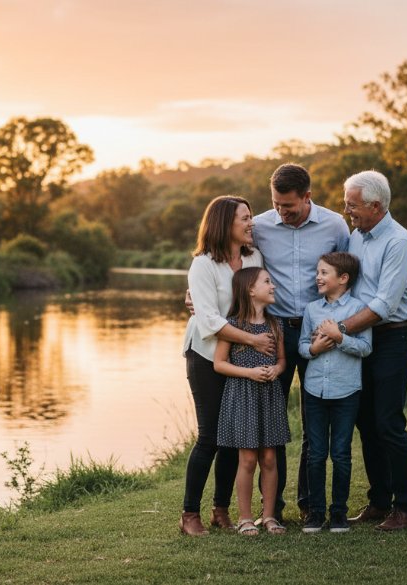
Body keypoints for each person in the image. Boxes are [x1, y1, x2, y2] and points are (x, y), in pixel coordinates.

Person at [252, 163, 349, 522]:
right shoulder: (260, 226)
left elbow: (351, 271)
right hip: (273, 332)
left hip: (318, 332)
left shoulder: (335, 225)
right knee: (271, 421)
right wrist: (195, 289)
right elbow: (227, 254)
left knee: (315, 419)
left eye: (288, 205)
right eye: (276, 204)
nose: (281, 211)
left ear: (307, 197)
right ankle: (271, 508)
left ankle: (311, 504)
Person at [180, 195, 273, 536]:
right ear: (224, 224)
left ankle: (221, 508)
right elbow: (208, 318)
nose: (251, 223)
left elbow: (258, 300)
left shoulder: (253, 256)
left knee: (234, 436)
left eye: (251, 217)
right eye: (244, 218)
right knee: (209, 437)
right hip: (205, 355)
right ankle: (189, 514)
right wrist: (252, 340)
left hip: (239, 358)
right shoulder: (203, 265)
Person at [336, 170, 407, 531]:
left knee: (388, 422)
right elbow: (353, 289)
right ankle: (378, 501)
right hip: (366, 340)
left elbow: (384, 305)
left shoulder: (399, 242)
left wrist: (337, 330)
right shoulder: (357, 237)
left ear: (375, 205)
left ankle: (406, 509)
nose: (347, 210)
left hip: (393, 338)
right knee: (366, 422)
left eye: (352, 205)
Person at [297, 252, 372, 534]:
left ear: (343, 278)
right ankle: (315, 513)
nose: (318, 277)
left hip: (346, 391)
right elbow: (303, 346)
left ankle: (338, 513)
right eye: (318, 272)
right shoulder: (312, 310)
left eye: (324, 272)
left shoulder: (358, 309)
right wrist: (313, 350)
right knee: (316, 453)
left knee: (341, 454)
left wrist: (340, 337)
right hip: (315, 390)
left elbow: (366, 348)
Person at [213, 267, 290, 535]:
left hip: (269, 396)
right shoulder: (232, 325)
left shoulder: (275, 324)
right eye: (267, 281)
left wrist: (277, 371)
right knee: (247, 459)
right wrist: (250, 373)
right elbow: (219, 364)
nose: (273, 285)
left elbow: (282, 361)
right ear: (250, 289)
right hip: (242, 395)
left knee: (269, 458)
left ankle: (268, 516)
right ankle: (245, 518)